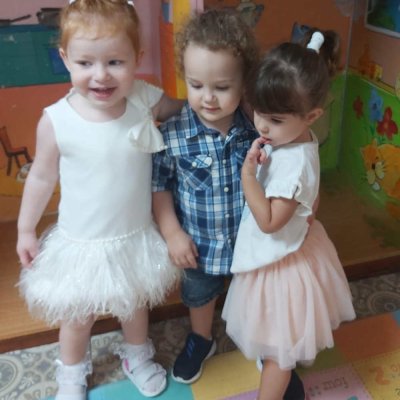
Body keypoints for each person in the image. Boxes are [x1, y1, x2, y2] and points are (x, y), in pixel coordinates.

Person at [16, 1, 182, 399]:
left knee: (135, 305)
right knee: (78, 316)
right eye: (85, 63)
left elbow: (180, 111)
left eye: (115, 62)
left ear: (137, 58)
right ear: (65, 59)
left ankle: (137, 356)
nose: (101, 74)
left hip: (133, 236)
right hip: (82, 242)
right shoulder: (57, 120)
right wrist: (25, 229)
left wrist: (211, 98)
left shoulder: (143, 98)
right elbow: (41, 177)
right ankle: (71, 374)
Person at [222, 30, 356, 400]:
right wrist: (307, 213)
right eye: (258, 111)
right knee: (284, 332)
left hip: (281, 262)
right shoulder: (301, 140)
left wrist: (248, 176)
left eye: (275, 119)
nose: (262, 126)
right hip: (295, 247)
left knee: (278, 352)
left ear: (312, 115)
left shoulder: (291, 168)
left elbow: (268, 222)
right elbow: (313, 196)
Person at [151, 9, 260, 384]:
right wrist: (172, 234)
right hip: (199, 245)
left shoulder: (255, 128)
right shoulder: (172, 134)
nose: (208, 98)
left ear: (243, 84)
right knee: (199, 296)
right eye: (196, 85)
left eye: (222, 87)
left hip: (251, 242)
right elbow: (159, 186)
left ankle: (261, 338)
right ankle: (201, 339)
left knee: (255, 291)